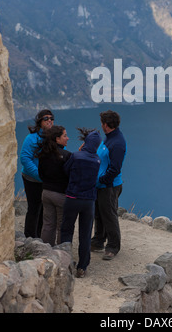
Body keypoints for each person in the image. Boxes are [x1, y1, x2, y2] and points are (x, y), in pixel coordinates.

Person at [60, 130, 102, 278]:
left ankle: (65, 263)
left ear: (85, 142)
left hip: (72, 198)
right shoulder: (97, 160)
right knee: (85, 234)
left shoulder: (75, 156)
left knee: (66, 230)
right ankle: (82, 267)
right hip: (89, 201)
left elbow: (65, 170)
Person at [91, 110, 127, 261]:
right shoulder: (109, 138)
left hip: (110, 185)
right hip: (101, 184)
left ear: (106, 125)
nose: (101, 125)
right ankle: (98, 240)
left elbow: (115, 168)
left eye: (102, 123)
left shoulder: (117, 142)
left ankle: (113, 246)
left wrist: (103, 180)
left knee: (109, 214)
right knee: (99, 213)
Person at [20, 109, 55, 238]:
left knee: (44, 210)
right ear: (40, 121)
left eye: (51, 118)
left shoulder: (53, 137)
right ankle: (29, 237)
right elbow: (25, 159)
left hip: (46, 180)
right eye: (46, 119)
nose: (49, 120)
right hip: (32, 179)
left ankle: (39, 236)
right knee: (34, 208)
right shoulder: (31, 138)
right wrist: (40, 175)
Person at [36, 126, 71, 246]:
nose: (68, 138)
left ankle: (45, 251)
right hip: (61, 194)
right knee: (62, 225)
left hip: (46, 193)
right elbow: (71, 176)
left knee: (48, 224)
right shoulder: (67, 155)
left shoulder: (43, 154)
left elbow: (40, 173)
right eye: (65, 136)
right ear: (57, 139)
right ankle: (62, 253)